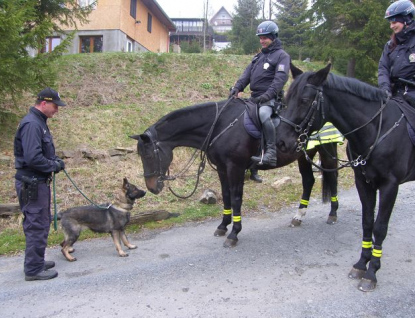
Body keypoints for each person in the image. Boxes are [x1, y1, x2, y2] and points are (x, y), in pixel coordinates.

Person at [14, 87, 66, 281]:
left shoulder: (39, 122)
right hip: (32, 183)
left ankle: (36, 261)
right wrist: (53, 165)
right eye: (55, 106)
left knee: (42, 222)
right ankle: (33, 269)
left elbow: (41, 153)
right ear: (43, 103)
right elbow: (33, 158)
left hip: (38, 182)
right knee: (36, 224)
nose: (57, 110)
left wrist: (55, 160)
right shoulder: (32, 124)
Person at [229, 21, 290, 167]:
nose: (262, 40)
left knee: (263, 115)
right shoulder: (258, 57)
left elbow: (280, 79)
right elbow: (246, 75)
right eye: (260, 37)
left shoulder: (282, 56)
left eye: (265, 38)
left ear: (273, 37)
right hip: (255, 97)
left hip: (271, 98)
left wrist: (268, 95)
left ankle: (270, 152)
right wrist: (237, 88)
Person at [379, 0, 415, 104]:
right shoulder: (390, 45)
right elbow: (383, 68)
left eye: (394, 22)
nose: (391, 26)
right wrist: (385, 89)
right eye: (390, 23)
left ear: (406, 20)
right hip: (394, 94)